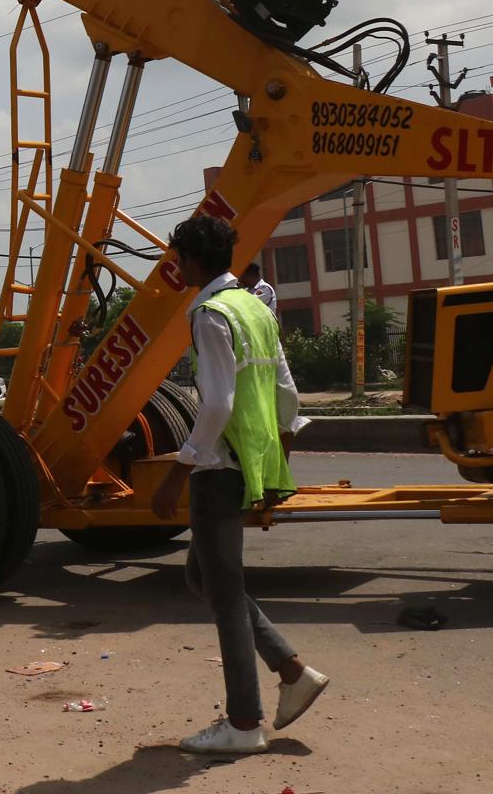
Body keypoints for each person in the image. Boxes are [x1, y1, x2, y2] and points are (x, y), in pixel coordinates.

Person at [152, 214, 327, 756]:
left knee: (223, 593)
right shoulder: (255, 306)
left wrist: (177, 472)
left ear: (192, 261)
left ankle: (245, 723)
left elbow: (218, 405)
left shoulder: (210, 314)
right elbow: (287, 393)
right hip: (248, 465)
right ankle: (291, 670)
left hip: (218, 470)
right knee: (204, 577)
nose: (176, 268)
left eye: (178, 259)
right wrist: (275, 464)